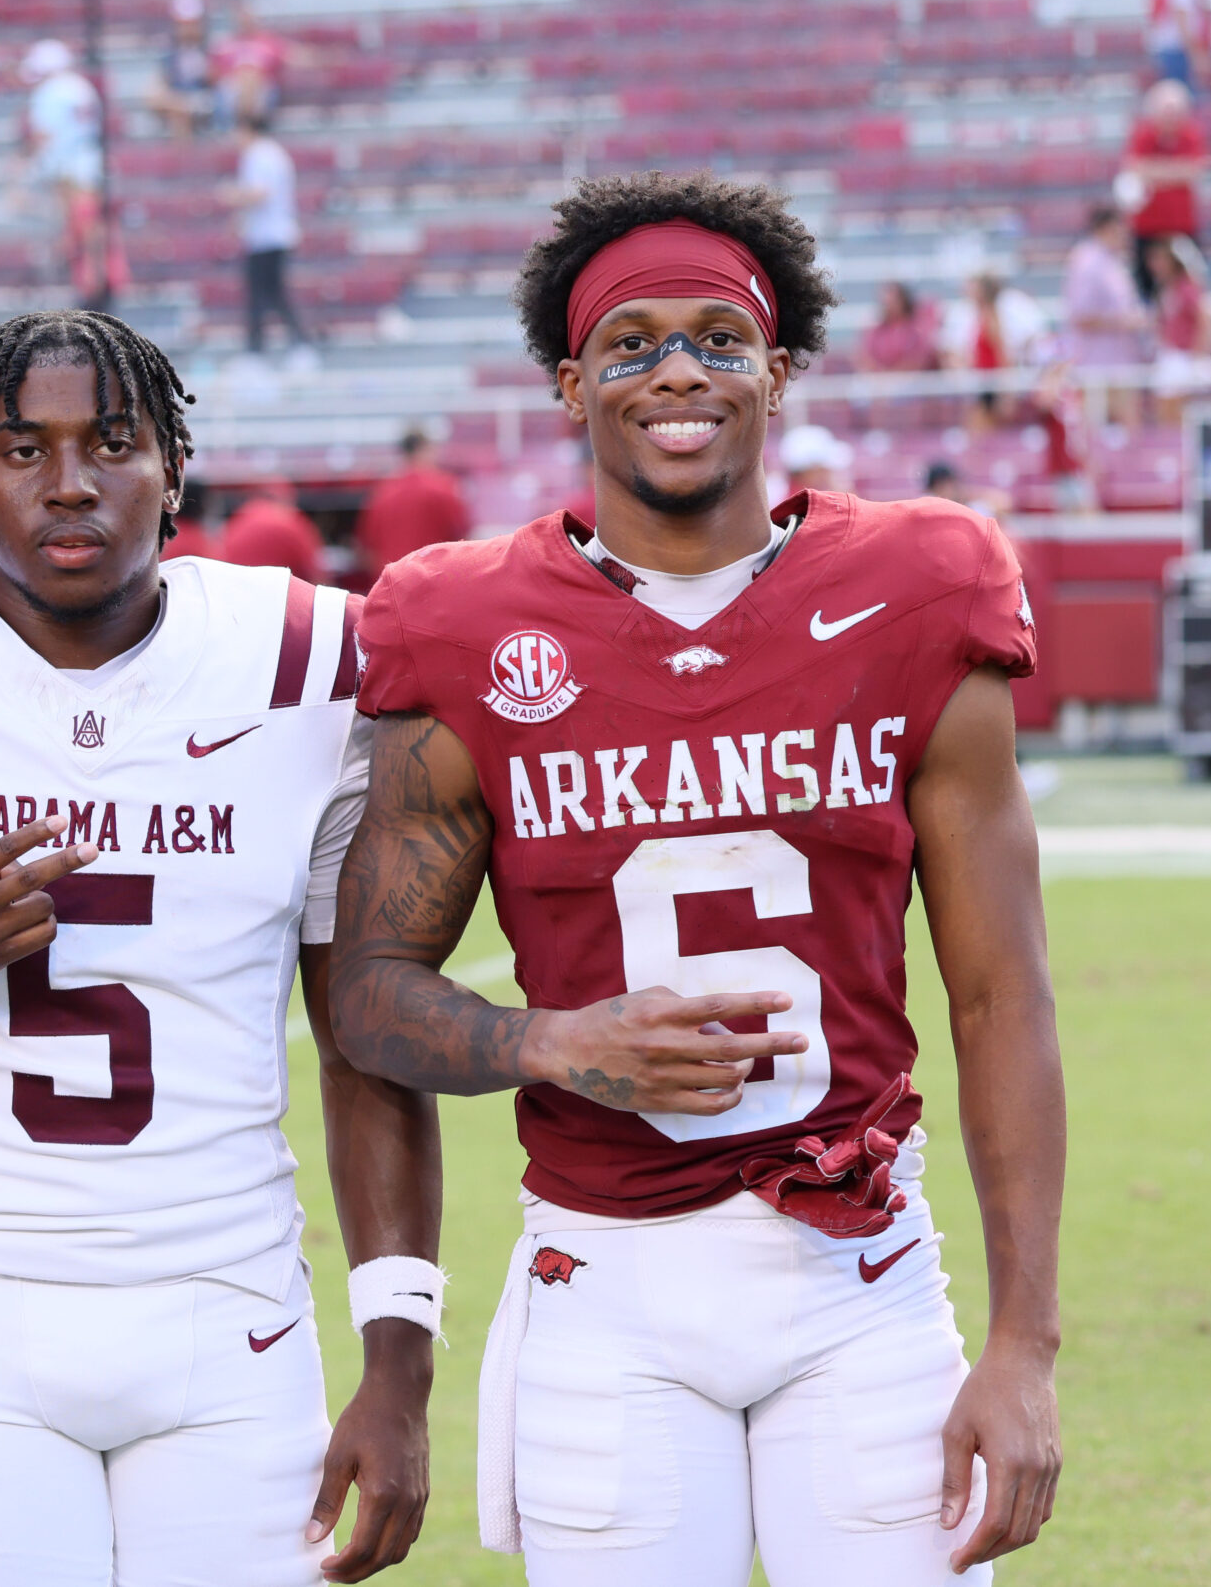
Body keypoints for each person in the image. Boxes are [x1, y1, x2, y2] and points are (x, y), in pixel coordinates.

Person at [330, 174, 1063, 1586]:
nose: (677, 369)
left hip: (862, 1274)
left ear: (779, 368)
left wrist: (1025, 1342)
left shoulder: (918, 586)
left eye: (720, 339)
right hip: (608, 1287)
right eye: (633, 341)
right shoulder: (465, 622)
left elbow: (1000, 995)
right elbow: (365, 996)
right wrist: (555, 1041)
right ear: (570, 382)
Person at [0, 308, 440, 1587]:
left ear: (173, 469)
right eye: (19, 448)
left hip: (229, 1312)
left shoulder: (304, 659)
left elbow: (365, 1043)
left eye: (113, 443)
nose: (68, 483)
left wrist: (399, 1362)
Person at [21, 39, 124, 308]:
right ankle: (98, 293)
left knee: (80, 237)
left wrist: (30, 174)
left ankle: (89, 295)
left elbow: (44, 137)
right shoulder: (83, 88)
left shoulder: (50, 92)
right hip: (93, 168)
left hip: (70, 175)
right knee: (95, 235)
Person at [229, 111, 312, 363]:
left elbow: (260, 193)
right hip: (272, 234)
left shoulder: (258, 154)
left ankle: (259, 350)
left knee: (263, 295)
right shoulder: (274, 153)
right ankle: (295, 345)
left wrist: (233, 196)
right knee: (271, 294)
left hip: (266, 237)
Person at [1060, 205, 1147, 426]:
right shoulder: (1087, 262)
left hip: (1119, 364)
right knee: (1094, 432)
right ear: (1108, 228)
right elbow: (1081, 316)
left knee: (1128, 426)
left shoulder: (1113, 261)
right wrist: (1125, 322)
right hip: (1097, 367)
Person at [353, 427, 469, 584]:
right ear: (425, 449)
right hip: (432, 584)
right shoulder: (443, 486)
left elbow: (366, 549)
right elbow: (463, 539)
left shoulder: (382, 492)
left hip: (391, 585)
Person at [1121, 80, 1205, 296]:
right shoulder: (1143, 134)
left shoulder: (1191, 134)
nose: (1171, 119)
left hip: (1181, 225)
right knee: (1145, 287)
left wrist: (1156, 172)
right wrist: (1174, 172)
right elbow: (1136, 169)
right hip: (1147, 226)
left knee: (1187, 285)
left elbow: (1193, 171)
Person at [939, 273, 1049, 433]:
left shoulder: (992, 318)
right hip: (983, 383)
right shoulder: (979, 316)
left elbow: (1002, 354)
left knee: (983, 432)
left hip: (992, 384)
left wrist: (1006, 392)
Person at [1144, 236, 1211, 422]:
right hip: (1169, 354)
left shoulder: (1187, 287)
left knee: (1177, 408)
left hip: (1184, 356)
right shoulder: (1166, 287)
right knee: (1164, 408)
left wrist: (1197, 352)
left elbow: (1203, 319)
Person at [219, 479, 325, 582]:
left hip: (235, 592)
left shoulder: (238, 518)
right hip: (278, 595)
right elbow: (317, 575)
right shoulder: (291, 520)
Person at [212, 4, 291, 129]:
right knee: (242, 79)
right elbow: (213, 74)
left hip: (263, 90)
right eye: (241, 18)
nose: (245, 21)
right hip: (231, 90)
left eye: (247, 18)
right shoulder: (225, 45)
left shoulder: (269, 42)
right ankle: (247, 128)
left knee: (252, 78)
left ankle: (245, 129)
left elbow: (292, 58)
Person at [151, 0, 217, 139]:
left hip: (204, 102)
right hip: (178, 101)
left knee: (180, 115)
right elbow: (160, 85)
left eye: (192, 24)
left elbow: (215, 84)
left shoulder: (210, 51)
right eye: (184, 24)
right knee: (176, 113)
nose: (188, 29)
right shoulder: (169, 54)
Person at [860, 281, 936, 371]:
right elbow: (864, 357)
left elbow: (919, 358)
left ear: (902, 300)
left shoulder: (916, 327)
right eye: (884, 301)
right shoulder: (876, 330)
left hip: (912, 380)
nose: (887, 304)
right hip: (881, 381)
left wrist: (895, 376)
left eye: (891, 300)